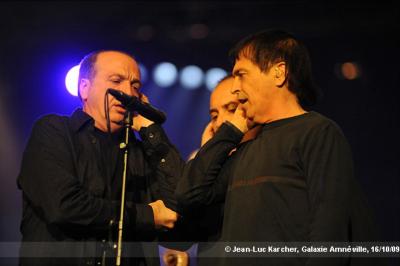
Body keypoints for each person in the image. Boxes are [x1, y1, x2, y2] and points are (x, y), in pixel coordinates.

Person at [176, 30, 379, 265]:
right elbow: (188, 195)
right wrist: (228, 133)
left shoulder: (317, 131)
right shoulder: (246, 145)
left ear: (278, 72)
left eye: (241, 74)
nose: (235, 87)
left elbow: (328, 227)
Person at [17, 50, 185, 266]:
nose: (128, 93)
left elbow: (178, 212)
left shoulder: (142, 151)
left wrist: (151, 130)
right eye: (116, 81)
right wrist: (146, 216)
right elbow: (64, 206)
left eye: (135, 86)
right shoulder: (54, 131)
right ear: (84, 88)